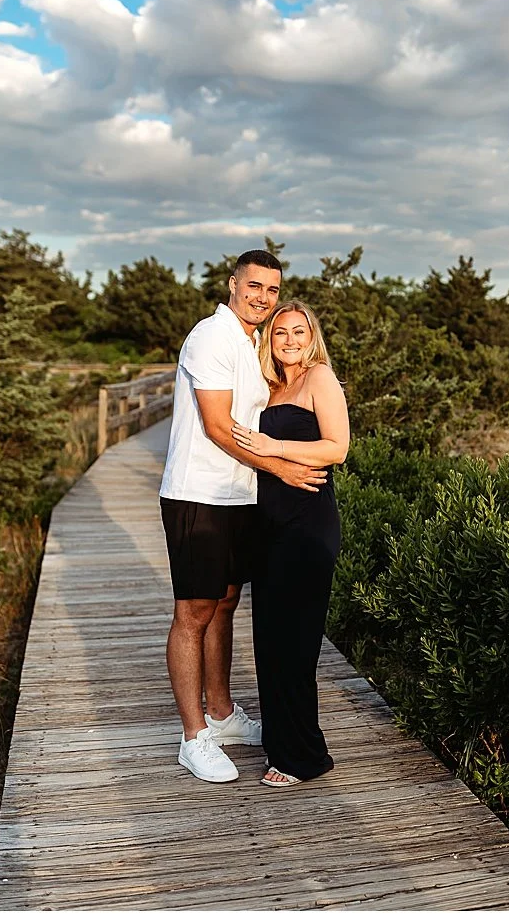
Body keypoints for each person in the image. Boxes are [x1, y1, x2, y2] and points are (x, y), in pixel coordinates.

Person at [160, 250, 326, 783]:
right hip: (199, 494)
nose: (262, 297)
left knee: (226, 602)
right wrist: (281, 468)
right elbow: (216, 425)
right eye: (254, 286)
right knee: (194, 611)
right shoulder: (211, 336)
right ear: (233, 284)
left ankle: (222, 712)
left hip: (240, 496)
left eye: (272, 290)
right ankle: (194, 737)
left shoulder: (254, 343)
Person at [232, 301, 348, 787]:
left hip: (308, 523)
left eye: (299, 331)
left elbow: (337, 448)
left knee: (297, 643)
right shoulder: (268, 387)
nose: (290, 340)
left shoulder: (320, 377)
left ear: (311, 336)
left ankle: (305, 757)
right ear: (270, 339)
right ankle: (281, 743)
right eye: (281, 332)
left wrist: (274, 447)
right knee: (269, 640)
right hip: (269, 524)